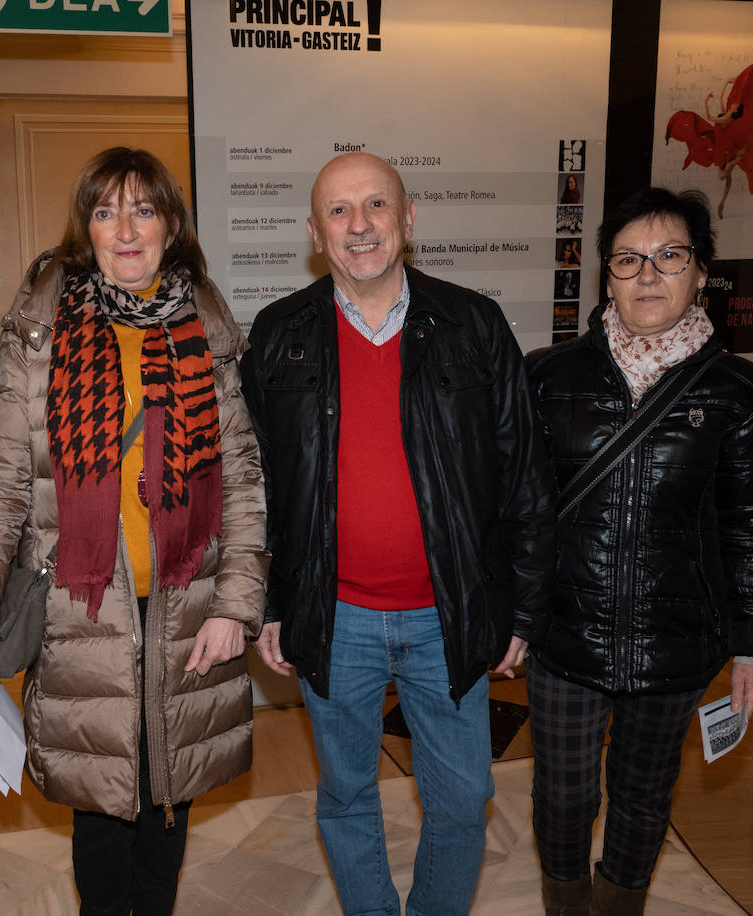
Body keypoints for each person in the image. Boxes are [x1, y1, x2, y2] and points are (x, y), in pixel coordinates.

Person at [0, 147, 268, 916]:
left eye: (144, 209)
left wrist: (235, 606)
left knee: (169, 790)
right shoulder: (39, 333)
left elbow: (244, 482)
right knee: (102, 800)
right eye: (107, 209)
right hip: (80, 608)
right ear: (85, 226)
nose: (126, 228)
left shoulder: (207, 329)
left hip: (188, 606)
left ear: (171, 226)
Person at [241, 151, 556, 916]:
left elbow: (524, 475)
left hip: (448, 615)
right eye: (340, 212)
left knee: (461, 798)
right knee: (347, 794)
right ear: (315, 232)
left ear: (408, 219)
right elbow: (260, 489)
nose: (360, 226)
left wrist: (521, 611)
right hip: (334, 615)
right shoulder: (279, 334)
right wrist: (271, 602)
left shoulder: (474, 323)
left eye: (376, 206)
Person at [524, 187, 753, 916]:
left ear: (701, 272)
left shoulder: (737, 388)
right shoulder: (549, 378)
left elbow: (752, 524)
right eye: (628, 259)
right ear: (606, 277)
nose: (648, 274)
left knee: (642, 798)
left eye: (670, 255)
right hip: (563, 633)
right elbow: (519, 513)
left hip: (675, 643)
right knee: (562, 793)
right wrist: (510, 617)